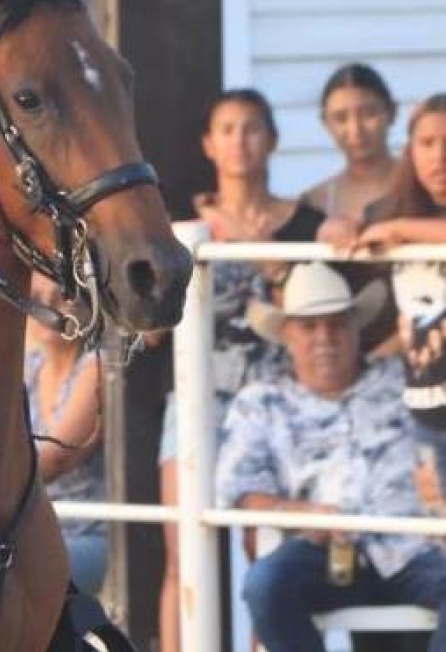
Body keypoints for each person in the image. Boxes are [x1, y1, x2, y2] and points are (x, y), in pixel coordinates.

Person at [157, 88, 327, 652]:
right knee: (184, 545)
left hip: (275, 396)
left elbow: (311, 308)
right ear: (209, 143)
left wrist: (262, 249)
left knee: (266, 550)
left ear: (273, 139)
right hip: (195, 393)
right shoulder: (182, 220)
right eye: (227, 129)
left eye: (252, 128)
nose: (240, 141)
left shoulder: (304, 222)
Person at [217, 262, 446, 652]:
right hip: (323, 552)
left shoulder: (402, 382)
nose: (325, 338)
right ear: (287, 335)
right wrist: (300, 513)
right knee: (265, 584)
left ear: (356, 329)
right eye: (309, 327)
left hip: (414, 547)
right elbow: (239, 489)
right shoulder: (261, 402)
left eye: (337, 325)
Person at [353, 94, 446, 513]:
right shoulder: (389, 212)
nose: (439, 156)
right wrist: (339, 228)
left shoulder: (397, 222)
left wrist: (400, 228)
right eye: (427, 143)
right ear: (410, 150)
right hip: (424, 409)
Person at [24, 275, 107, 596]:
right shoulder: (29, 365)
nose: (47, 306)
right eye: (36, 295)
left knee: (17, 577)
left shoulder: (96, 365)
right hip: (33, 531)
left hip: (90, 532)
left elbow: (59, 456)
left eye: (62, 295)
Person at [302, 64, 399, 223]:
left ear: (392, 112)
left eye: (368, 114)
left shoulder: (426, 184)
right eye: (341, 118)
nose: (355, 130)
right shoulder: (315, 202)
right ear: (325, 123)